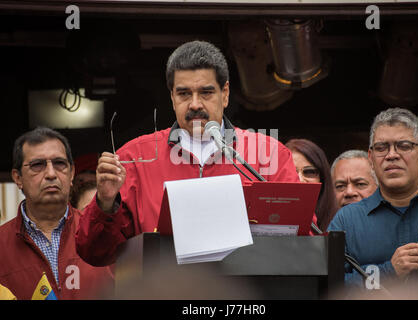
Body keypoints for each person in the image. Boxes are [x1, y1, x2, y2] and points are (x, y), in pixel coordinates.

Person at [76, 40, 300, 267]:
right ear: (172, 97)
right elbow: (94, 253)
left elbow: (302, 242)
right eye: (184, 93)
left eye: (206, 92)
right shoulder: (133, 158)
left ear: (225, 93)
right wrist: (105, 204)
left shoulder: (270, 154)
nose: (195, 104)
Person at [328, 107, 418, 291]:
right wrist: (388, 271)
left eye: (404, 146)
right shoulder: (348, 220)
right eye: (381, 148)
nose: (391, 155)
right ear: (371, 158)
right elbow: (327, 287)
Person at [0, 127, 113, 300]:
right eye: (37, 165)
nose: (51, 174)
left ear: (72, 173)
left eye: (60, 163)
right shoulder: (2, 245)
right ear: (18, 178)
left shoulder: (102, 234)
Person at [285, 138, 338, 232]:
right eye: (292, 172)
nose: (300, 180)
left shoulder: (340, 221)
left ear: (322, 178)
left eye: (309, 172)